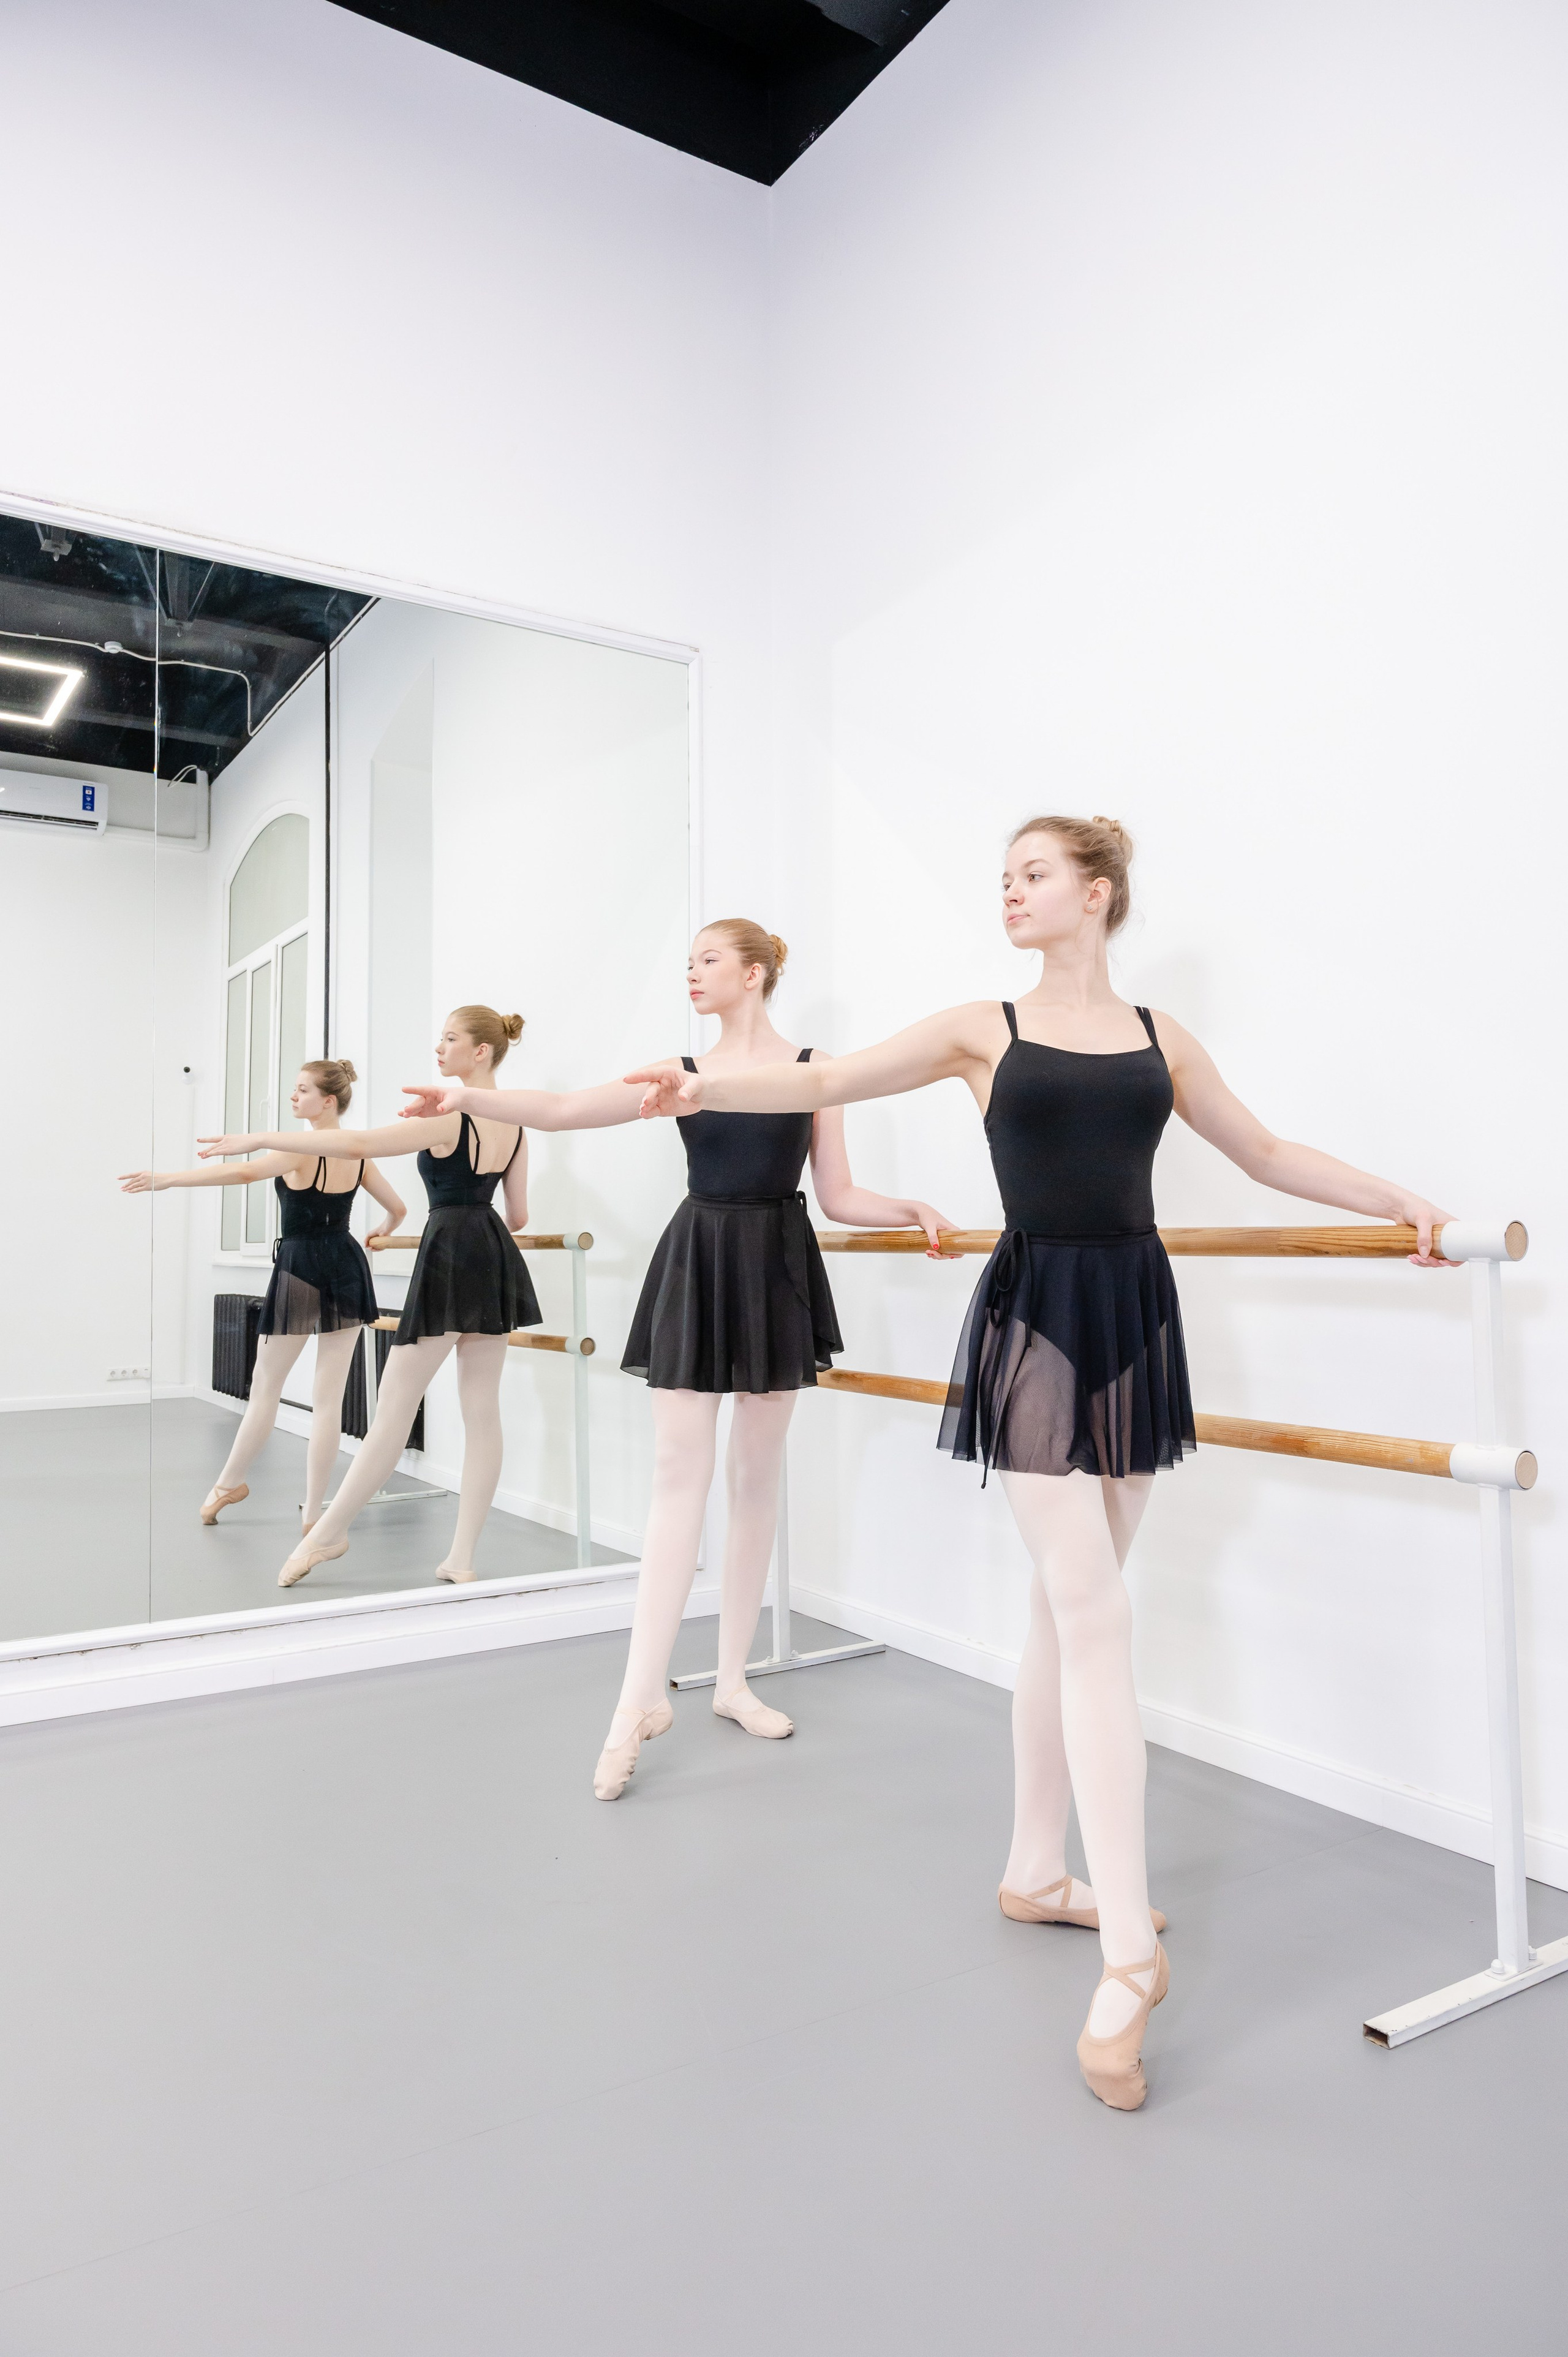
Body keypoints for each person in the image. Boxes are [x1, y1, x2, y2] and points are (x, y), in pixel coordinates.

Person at [627, 819, 1453, 2111]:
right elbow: (823, 1083)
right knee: (1092, 1608)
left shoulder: (1158, 1039)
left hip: (1134, 1312)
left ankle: (1033, 1869)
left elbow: (1264, 1151)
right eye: (1001, 877)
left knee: (1062, 1615)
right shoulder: (979, 1027)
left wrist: (1398, 1198)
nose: (1007, 892)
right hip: (1034, 1317)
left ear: (1095, 894)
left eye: (1030, 874)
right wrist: (703, 1089)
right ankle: (1126, 1953)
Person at [402, 920, 951, 1801]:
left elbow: (839, 1194)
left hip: (776, 1261)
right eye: (688, 962)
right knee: (676, 1475)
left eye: (708, 961)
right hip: (700, 1258)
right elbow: (565, 1109)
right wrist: (466, 1100)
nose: (691, 975)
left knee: (757, 1476)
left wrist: (911, 1207)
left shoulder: (815, 1069)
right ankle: (637, 1699)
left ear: (756, 972)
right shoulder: (682, 1074)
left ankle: (732, 1680)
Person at [200, 1007, 539, 1587]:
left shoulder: (455, 1117)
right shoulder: (513, 1124)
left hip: (449, 1252)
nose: (440, 1048)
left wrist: (256, 1138)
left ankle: (330, 1533)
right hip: (494, 1253)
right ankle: (461, 1557)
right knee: (483, 1410)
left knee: (392, 1406)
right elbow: (520, 1214)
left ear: (480, 1051)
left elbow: (356, 1141)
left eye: (450, 1039)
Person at [121, 1058, 404, 1534]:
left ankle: (229, 1483)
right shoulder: (358, 1153)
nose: (294, 1097)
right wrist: (383, 1231)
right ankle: (315, 1513)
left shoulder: (299, 1151)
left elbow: (242, 1175)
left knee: (266, 1387)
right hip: (348, 1265)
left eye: (301, 1090)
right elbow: (398, 1208)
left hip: (302, 1269)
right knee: (329, 1399)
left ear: (327, 1101)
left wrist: (166, 1179)